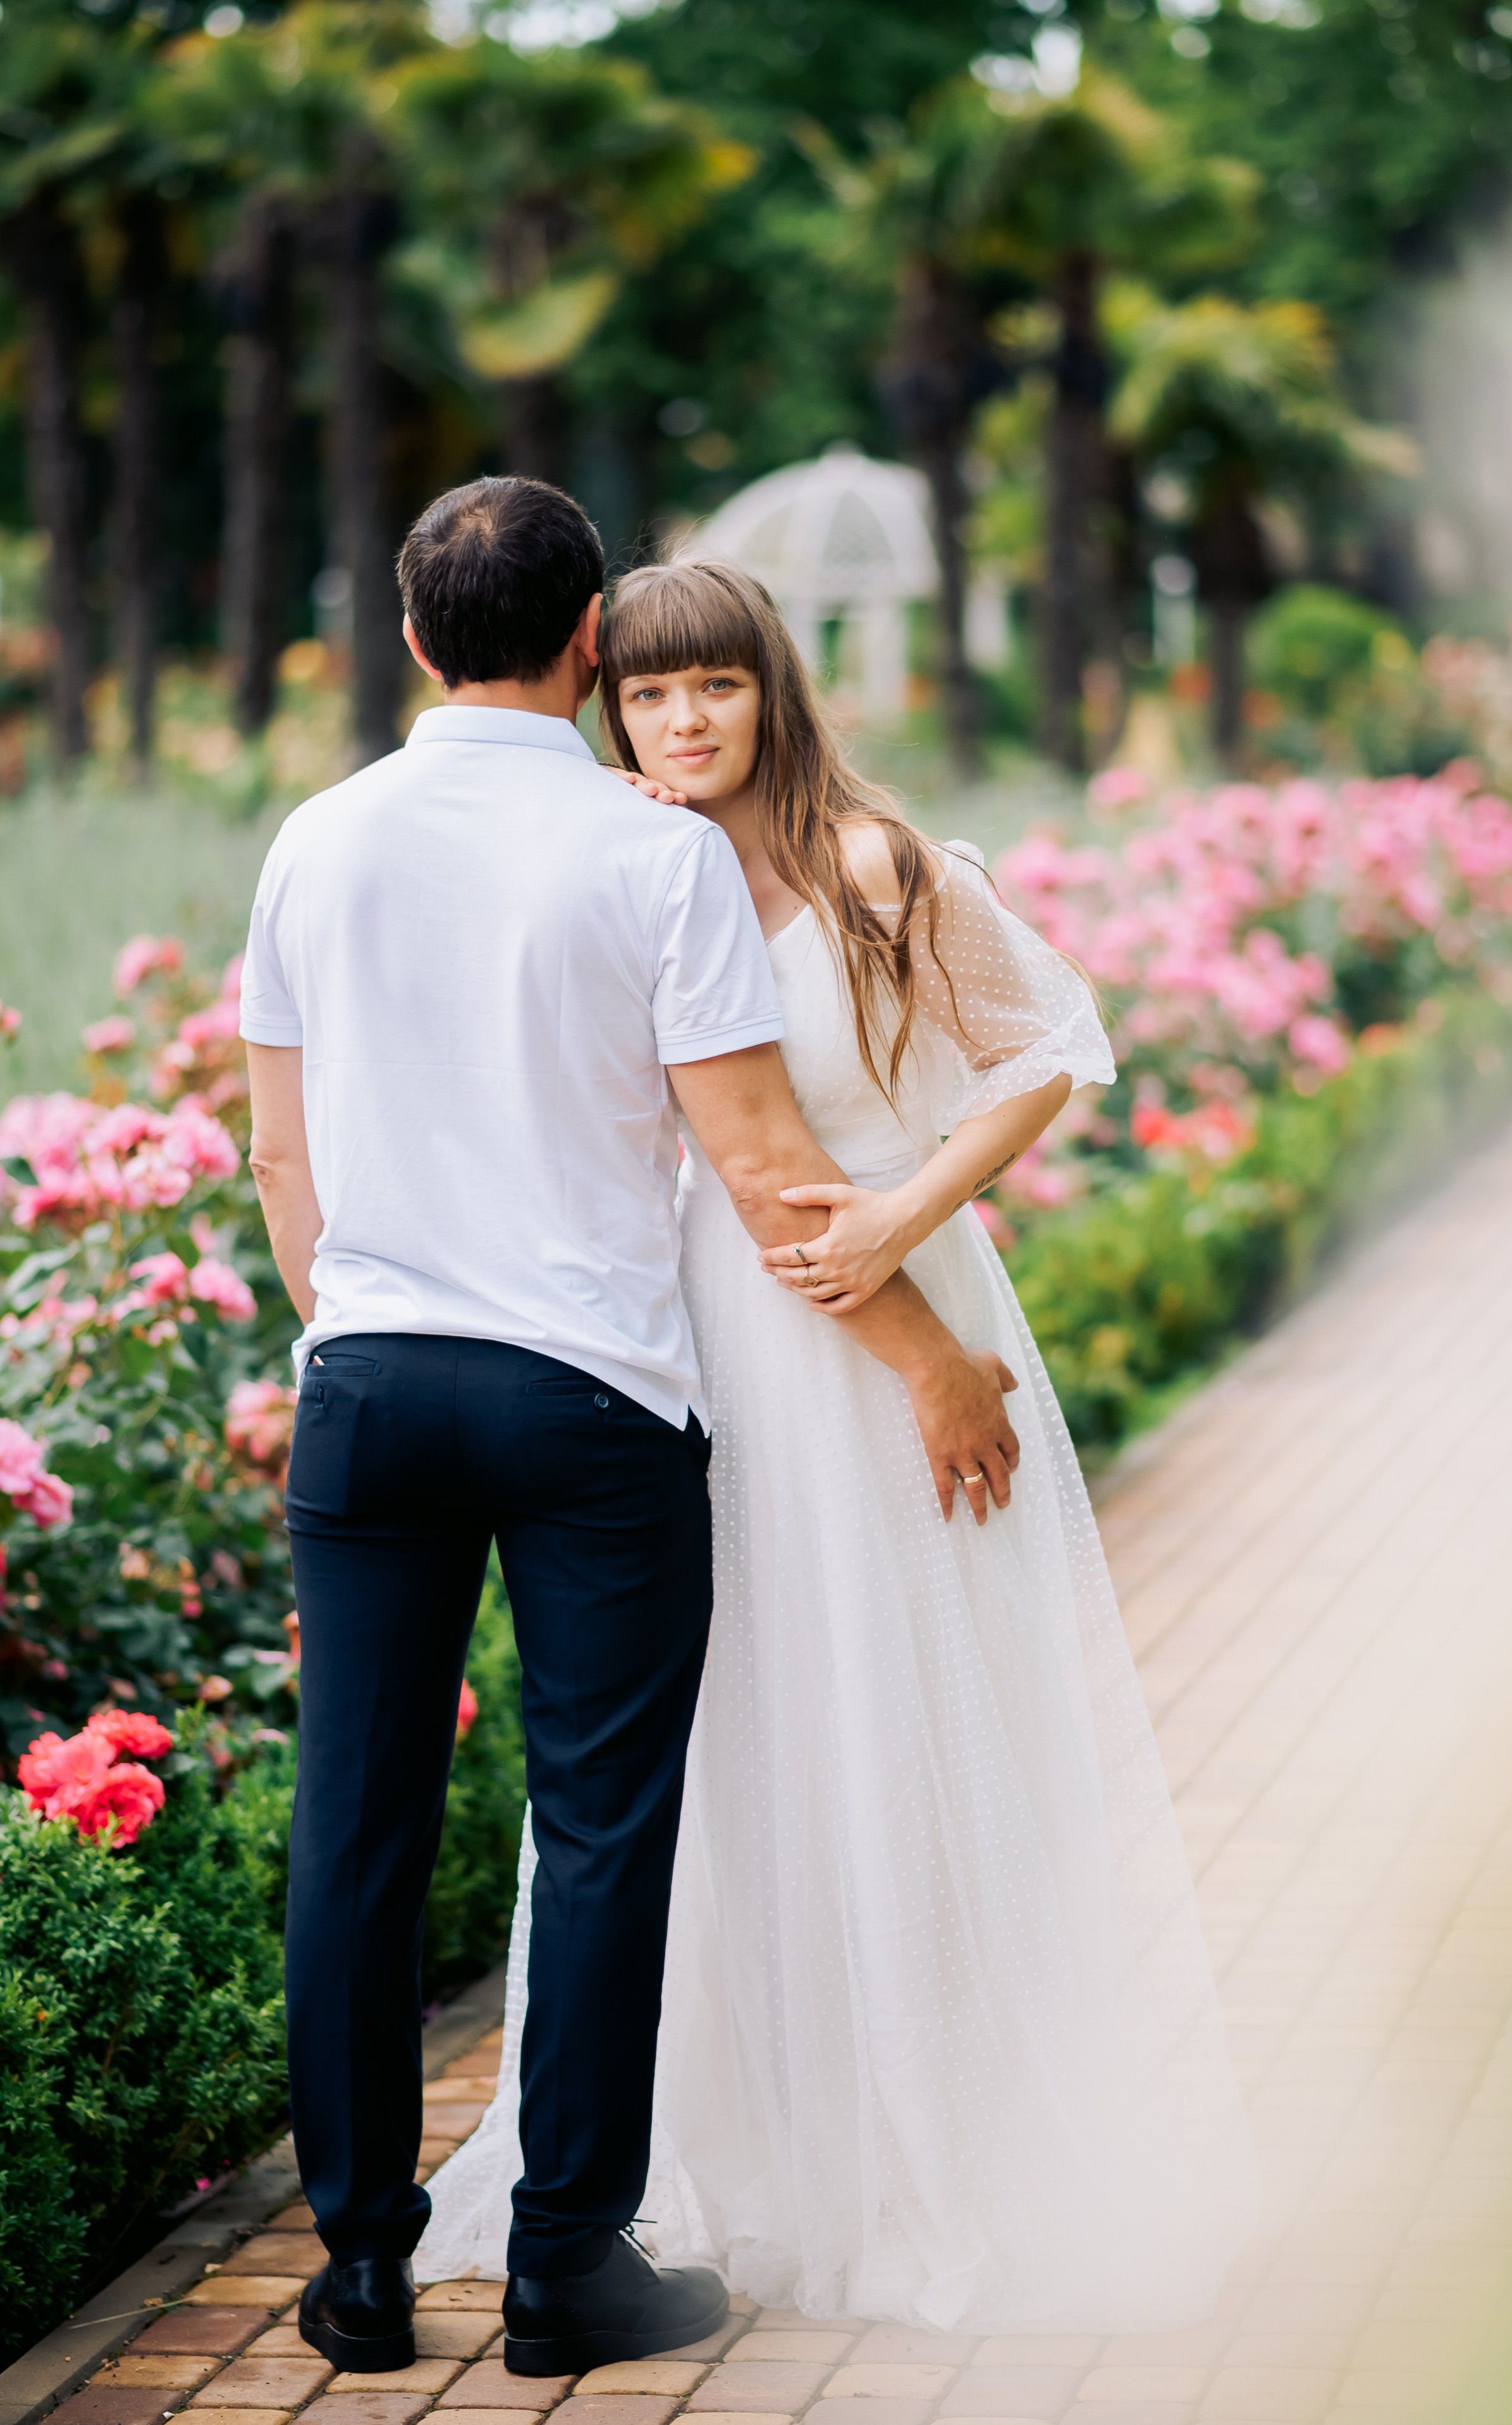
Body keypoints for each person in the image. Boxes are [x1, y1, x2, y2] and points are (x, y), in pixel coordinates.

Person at [238, 482, 1023, 2378]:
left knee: (353, 1827)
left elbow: (279, 1155)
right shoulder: (650, 852)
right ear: (593, 641)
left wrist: (356, 1329)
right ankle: (567, 2265)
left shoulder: (316, 839)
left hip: (369, 1381)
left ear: (414, 640)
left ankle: (359, 2266)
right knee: (599, 1823)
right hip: (588, 1399)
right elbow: (760, 1167)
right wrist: (935, 1357)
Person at [417, 560, 1256, 2331]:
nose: (684, 720)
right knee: (738, 1723)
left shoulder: (872, 861)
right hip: (710, 1323)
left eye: (716, 684)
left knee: (908, 1703)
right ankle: (740, 2143)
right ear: (608, 701)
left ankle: (936, 2135)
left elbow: (1047, 1049)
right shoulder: (628, 860)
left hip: (885, 1300)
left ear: (770, 690)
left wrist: (901, 1216)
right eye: (650, 693)